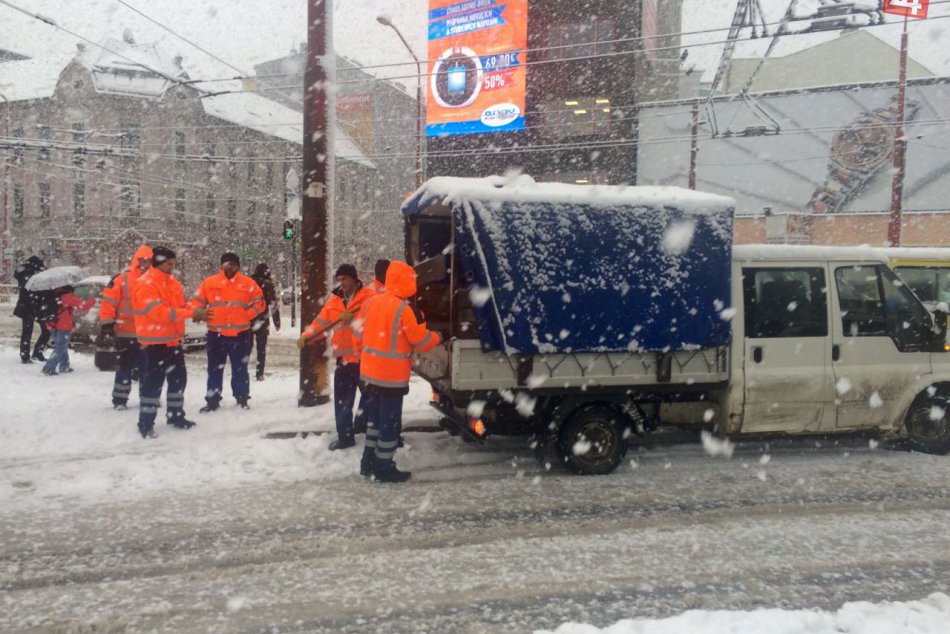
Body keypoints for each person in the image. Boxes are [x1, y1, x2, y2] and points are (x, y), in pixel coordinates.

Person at [357, 261, 442, 482]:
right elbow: (420, 341)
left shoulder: (371, 303)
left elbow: (358, 335)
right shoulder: (404, 309)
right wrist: (438, 336)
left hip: (369, 375)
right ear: (407, 283)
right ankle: (384, 466)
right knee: (390, 424)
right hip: (391, 378)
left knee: (374, 421)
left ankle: (367, 462)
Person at [133, 246, 210, 439]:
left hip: (173, 343)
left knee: (178, 382)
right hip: (153, 345)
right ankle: (145, 423)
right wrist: (191, 313)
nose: (173, 267)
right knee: (152, 386)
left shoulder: (172, 283)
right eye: (170, 264)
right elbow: (159, 314)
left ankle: (176, 416)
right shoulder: (145, 284)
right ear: (158, 263)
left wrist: (195, 310)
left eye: (174, 264)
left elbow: (181, 306)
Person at [298, 264, 375, 451]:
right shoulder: (334, 301)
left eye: (345, 279)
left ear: (355, 279)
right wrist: (308, 335)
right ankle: (345, 437)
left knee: (373, 399)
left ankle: (371, 430)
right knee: (343, 403)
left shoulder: (369, 298)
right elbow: (322, 322)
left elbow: (377, 322)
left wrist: (356, 320)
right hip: (343, 360)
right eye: (339, 280)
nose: (342, 283)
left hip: (365, 359)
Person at [192, 252, 266, 412]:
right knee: (214, 368)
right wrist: (198, 311)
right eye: (226, 264)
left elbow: (260, 303)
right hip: (215, 334)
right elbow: (196, 301)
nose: (229, 267)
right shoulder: (209, 283)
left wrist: (247, 316)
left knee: (240, 369)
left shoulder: (248, 283)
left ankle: (242, 398)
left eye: (233, 264)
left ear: (238, 266)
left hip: (241, 335)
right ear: (221, 265)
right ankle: (212, 400)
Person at [99, 245, 153, 410]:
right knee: (124, 368)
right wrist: (107, 324)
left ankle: (148, 398)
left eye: (148, 261)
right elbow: (108, 303)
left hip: (147, 334)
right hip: (126, 333)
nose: (144, 264)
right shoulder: (122, 279)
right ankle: (120, 400)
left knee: (147, 369)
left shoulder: (155, 280)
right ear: (136, 261)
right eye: (142, 260)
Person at [40, 285, 95, 376]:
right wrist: (93, 300)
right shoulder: (68, 296)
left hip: (51, 323)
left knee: (61, 345)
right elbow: (82, 306)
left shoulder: (52, 293)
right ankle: (49, 368)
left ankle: (64, 366)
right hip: (63, 324)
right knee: (61, 346)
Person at [13, 256, 51, 364]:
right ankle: (37, 351)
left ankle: (25, 354)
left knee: (27, 332)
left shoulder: (24, 273)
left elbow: (16, 274)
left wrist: (24, 266)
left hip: (27, 306)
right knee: (46, 329)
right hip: (38, 306)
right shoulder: (39, 274)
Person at [249, 263, 281, 381]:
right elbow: (273, 305)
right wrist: (277, 322)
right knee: (261, 348)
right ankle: (259, 373)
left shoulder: (249, 283)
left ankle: (242, 370)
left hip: (249, 319)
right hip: (262, 319)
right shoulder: (268, 285)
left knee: (247, 347)